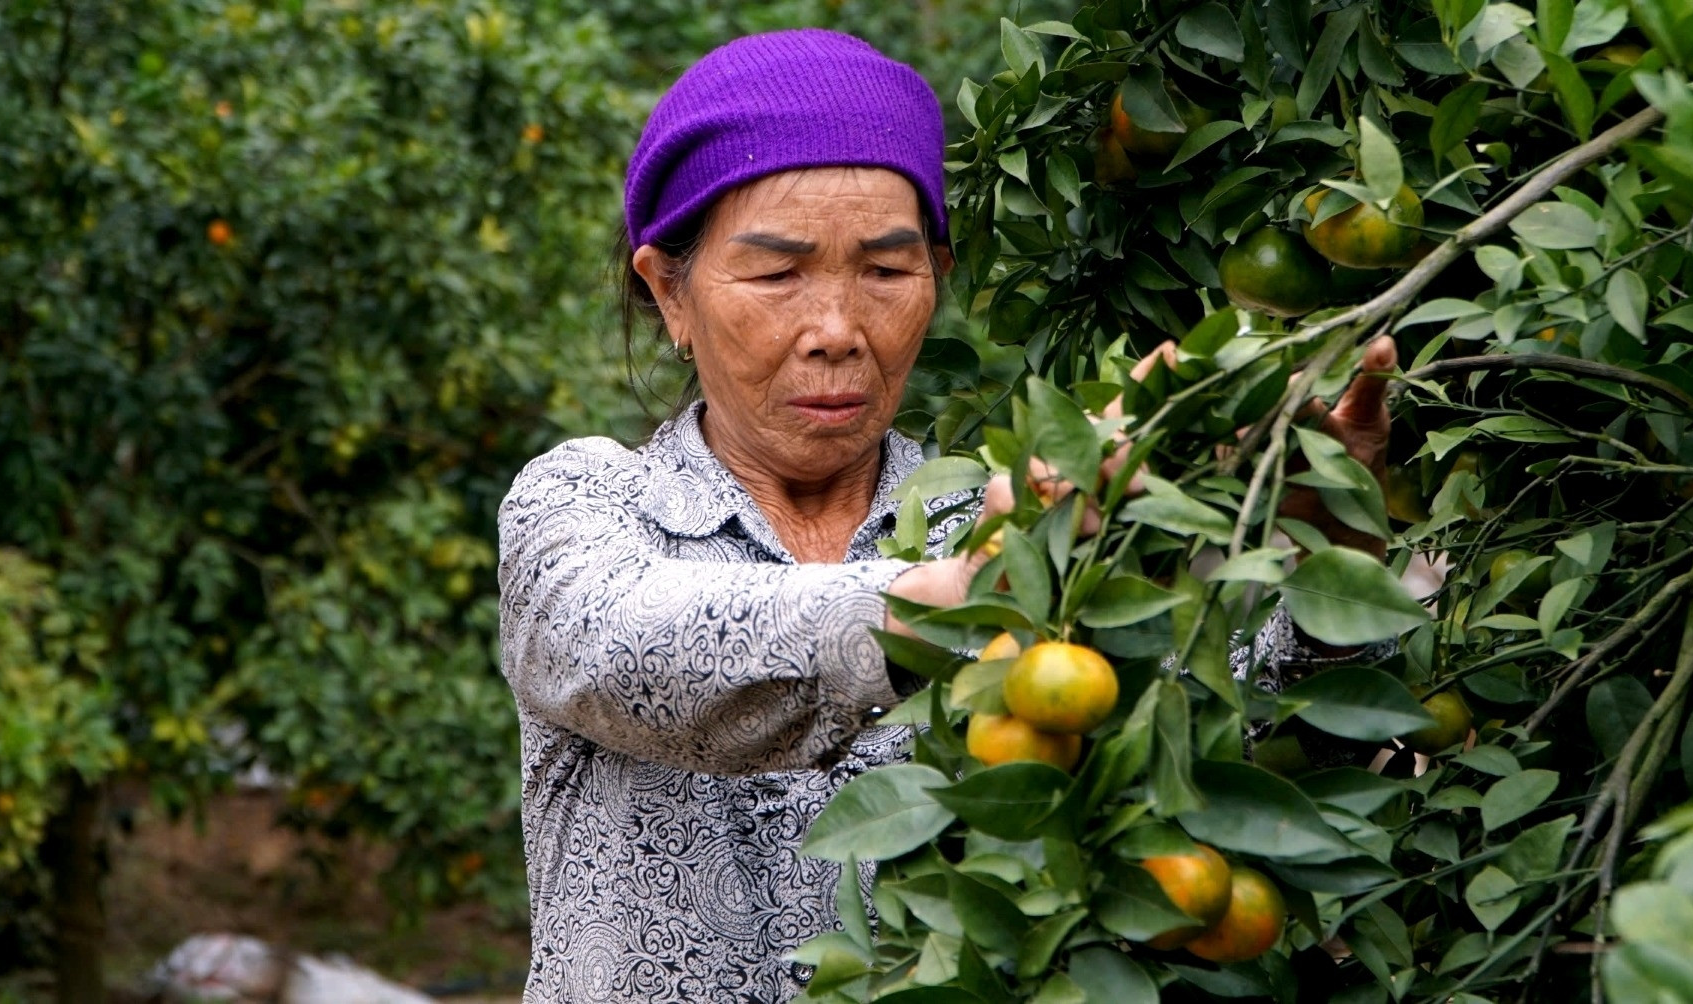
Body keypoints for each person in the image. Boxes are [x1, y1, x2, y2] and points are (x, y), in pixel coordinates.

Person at [496, 28, 1395, 1003]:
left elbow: (1250, 729)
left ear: (935, 275)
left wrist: (1326, 536)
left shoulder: (1000, 516)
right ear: (669, 290)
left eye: (885, 272)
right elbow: (628, 648)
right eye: (776, 273)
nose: (838, 330)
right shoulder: (584, 505)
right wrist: (956, 598)